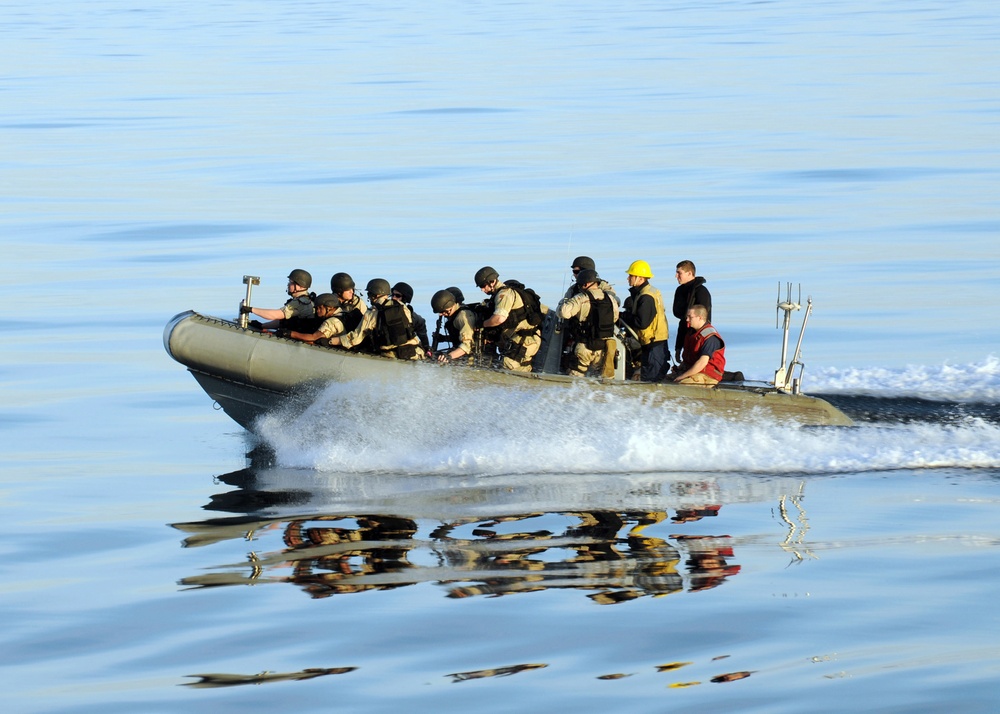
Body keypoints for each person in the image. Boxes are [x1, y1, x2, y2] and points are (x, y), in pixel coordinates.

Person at [325, 278, 424, 360]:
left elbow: (355, 339)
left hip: (392, 355)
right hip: (415, 352)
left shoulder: (372, 312)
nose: (369, 298)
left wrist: (331, 341)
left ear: (375, 295)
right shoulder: (402, 306)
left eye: (369, 294)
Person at [474, 266, 543, 373]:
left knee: (511, 367)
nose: (482, 290)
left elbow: (499, 318)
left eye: (483, 286)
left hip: (525, 340)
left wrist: (482, 324)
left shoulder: (504, 294)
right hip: (518, 339)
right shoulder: (499, 295)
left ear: (492, 282)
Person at [556, 269, 619, 377]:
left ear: (585, 284)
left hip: (584, 346)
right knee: (598, 381)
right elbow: (615, 318)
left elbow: (563, 313)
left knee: (574, 379)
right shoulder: (611, 299)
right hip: (603, 348)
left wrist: (563, 302)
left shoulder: (581, 298)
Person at [620, 260, 670, 382]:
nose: (628, 278)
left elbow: (642, 323)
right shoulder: (648, 292)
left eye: (631, 275)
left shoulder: (646, 297)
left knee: (650, 381)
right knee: (651, 379)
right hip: (654, 343)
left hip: (654, 346)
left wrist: (622, 316)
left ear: (640, 278)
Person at [241, 269, 316, 331]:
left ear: (299, 286)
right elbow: (281, 321)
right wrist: (262, 326)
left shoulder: (299, 303)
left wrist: (251, 309)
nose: (288, 285)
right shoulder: (307, 300)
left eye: (291, 282)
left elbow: (275, 315)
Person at [672, 304, 725, 386]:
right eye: (687, 317)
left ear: (700, 317)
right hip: (693, 371)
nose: (687, 319)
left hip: (708, 375)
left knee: (681, 385)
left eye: (690, 317)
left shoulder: (710, 337)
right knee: (664, 380)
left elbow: (702, 363)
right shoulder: (691, 333)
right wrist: (680, 368)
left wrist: (682, 376)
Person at [672, 260, 712, 364]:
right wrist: (678, 347)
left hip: (699, 337)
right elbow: (682, 321)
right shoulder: (680, 291)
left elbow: (704, 320)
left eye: (679, 273)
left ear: (689, 273)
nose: (676, 276)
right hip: (686, 336)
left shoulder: (701, 292)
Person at [430, 289, 480, 363]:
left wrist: (449, 356)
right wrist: (444, 338)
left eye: (441, 311)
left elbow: (467, 345)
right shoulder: (455, 316)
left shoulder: (462, 317)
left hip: (471, 358)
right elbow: (459, 337)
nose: (440, 314)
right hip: (462, 354)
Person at [391, 282, 430, 355]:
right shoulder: (382, 311)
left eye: (397, 296)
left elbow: (422, 330)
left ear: (405, 298)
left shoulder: (413, 318)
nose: (393, 298)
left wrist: (426, 348)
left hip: (403, 351)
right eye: (392, 294)